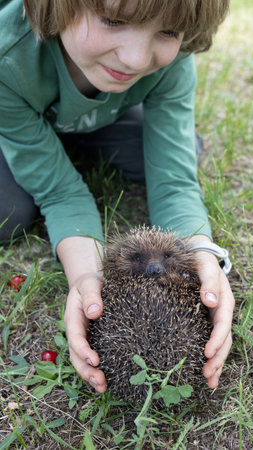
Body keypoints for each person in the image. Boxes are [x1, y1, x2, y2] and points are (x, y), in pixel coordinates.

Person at [0, 0, 235, 393]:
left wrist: (201, 253)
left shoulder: (170, 62)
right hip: (12, 111)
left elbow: (174, 182)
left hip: (103, 114)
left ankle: (70, 142)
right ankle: (46, 146)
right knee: (9, 211)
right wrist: (84, 278)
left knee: (180, 152)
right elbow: (60, 193)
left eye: (167, 32)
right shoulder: (7, 57)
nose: (134, 57)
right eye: (112, 20)